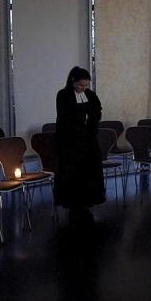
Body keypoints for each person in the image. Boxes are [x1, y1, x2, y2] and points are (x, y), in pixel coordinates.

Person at [54, 66, 105, 224]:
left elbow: (97, 112)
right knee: (73, 173)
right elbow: (64, 116)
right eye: (81, 85)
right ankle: (73, 204)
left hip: (88, 141)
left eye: (86, 85)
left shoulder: (90, 95)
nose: (83, 88)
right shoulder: (63, 95)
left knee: (89, 171)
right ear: (73, 81)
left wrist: (91, 123)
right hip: (70, 142)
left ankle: (88, 201)